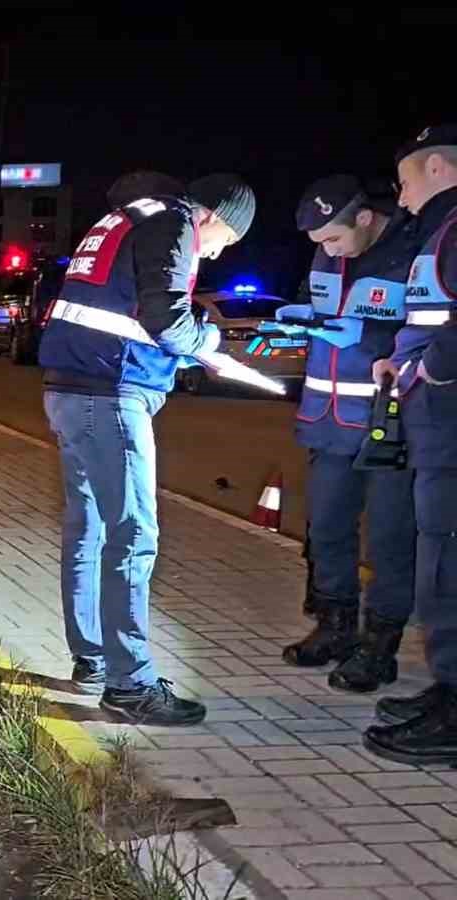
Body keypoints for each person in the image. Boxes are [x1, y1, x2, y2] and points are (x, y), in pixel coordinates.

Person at [38, 174, 255, 726]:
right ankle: (130, 684)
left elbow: (125, 310)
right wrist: (207, 344)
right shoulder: (174, 222)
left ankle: (92, 658)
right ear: (211, 216)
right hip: (110, 395)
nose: (219, 250)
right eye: (225, 239)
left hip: (70, 387)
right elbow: (165, 319)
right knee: (134, 535)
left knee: (86, 528)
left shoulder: (128, 216)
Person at [273, 175, 417, 692]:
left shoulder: (411, 249)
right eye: (319, 245)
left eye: (333, 238)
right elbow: (322, 307)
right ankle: (335, 628)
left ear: (363, 217)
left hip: (386, 423)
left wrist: (374, 336)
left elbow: (427, 328)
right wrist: (301, 319)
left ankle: (380, 648)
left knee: (388, 540)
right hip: (327, 419)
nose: (327, 251)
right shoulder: (327, 254)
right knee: (328, 529)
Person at [364, 125, 457, 765]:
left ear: (434, 167)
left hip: (450, 420)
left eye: (404, 179)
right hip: (435, 425)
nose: (401, 195)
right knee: (439, 561)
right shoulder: (441, 232)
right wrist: (402, 360)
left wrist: (432, 368)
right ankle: (447, 689)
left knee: (450, 563)